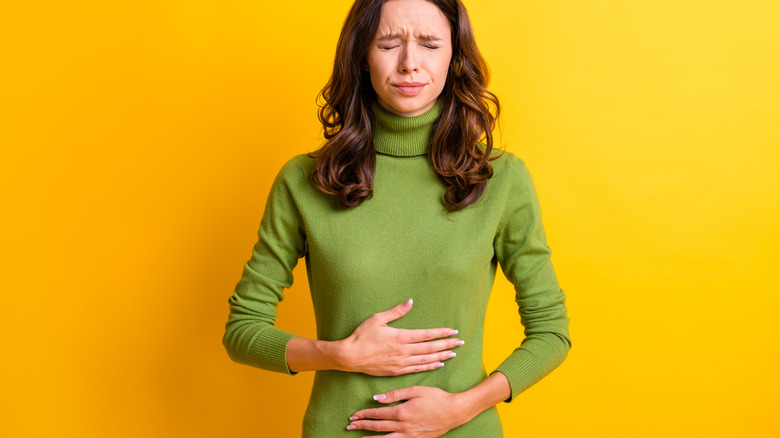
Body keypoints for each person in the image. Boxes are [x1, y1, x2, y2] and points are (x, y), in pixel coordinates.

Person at [222, 0, 571, 436]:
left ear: (454, 59)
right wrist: (340, 355)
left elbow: (552, 332)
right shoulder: (305, 180)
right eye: (389, 43)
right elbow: (242, 331)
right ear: (362, 58)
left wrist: (461, 408)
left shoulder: (501, 179)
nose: (410, 64)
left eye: (429, 44)